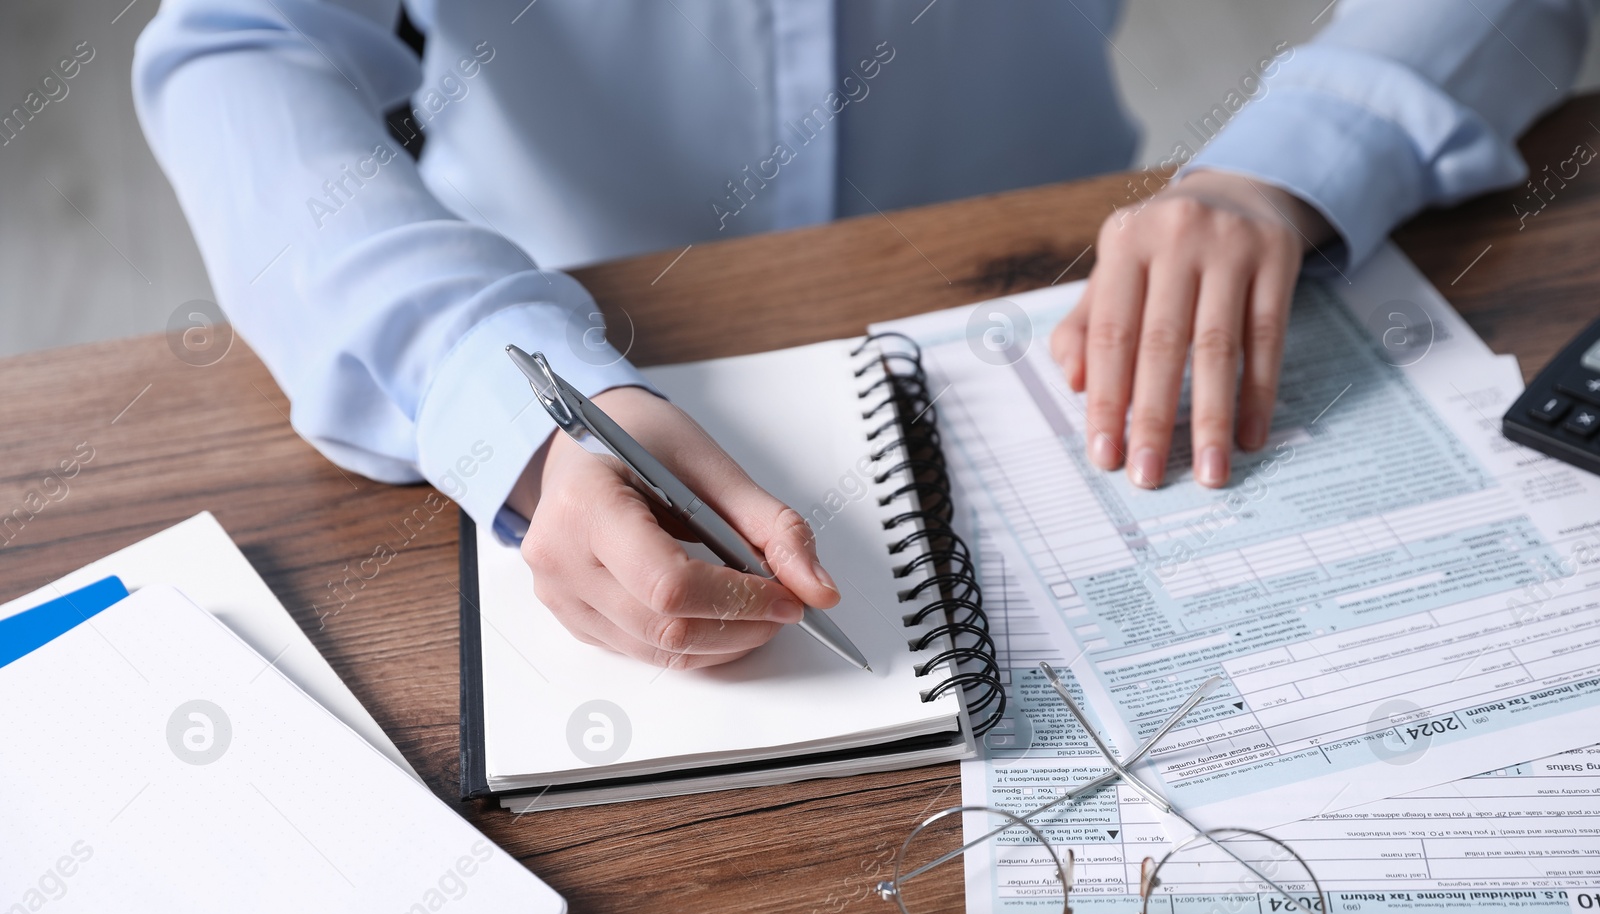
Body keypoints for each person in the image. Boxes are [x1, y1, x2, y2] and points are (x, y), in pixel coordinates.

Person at [135, 0, 1593, 669]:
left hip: (1047, 270)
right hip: (578, 313)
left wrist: (1290, 160)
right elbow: (237, 48)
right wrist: (484, 383)